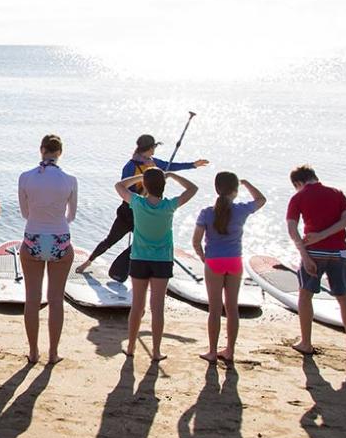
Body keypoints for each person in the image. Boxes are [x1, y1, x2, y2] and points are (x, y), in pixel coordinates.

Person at [76, 134, 207, 281]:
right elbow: (124, 187)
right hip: (129, 211)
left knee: (139, 243)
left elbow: (171, 166)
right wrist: (144, 187)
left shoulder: (153, 162)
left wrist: (193, 165)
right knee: (110, 240)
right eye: (153, 148)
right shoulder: (131, 166)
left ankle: (131, 268)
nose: (154, 151)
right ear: (149, 148)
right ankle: (87, 263)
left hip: (143, 212)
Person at [115, 168, 199, 360]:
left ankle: (131, 347)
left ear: (145, 185)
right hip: (162, 261)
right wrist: (172, 175)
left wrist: (141, 177)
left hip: (139, 259)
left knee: (137, 306)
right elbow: (192, 189)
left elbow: (119, 186)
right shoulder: (169, 205)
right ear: (163, 185)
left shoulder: (137, 203)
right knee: (157, 307)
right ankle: (156, 351)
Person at [285, 165, 346, 356]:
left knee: (305, 295)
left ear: (298, 183)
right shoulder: (336, 193)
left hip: (314, 252)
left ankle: (306, 343)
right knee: (344, 297)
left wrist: (304, 253)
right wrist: (325, 234)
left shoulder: (298, 197)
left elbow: (292, 229)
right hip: (339, 252)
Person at [17, 134, 78, 365]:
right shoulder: (70, 179)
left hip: (32, 238)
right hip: (59, 239)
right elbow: (71, 216)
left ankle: (33, 352)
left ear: (41, 150)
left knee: (32, 299)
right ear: (59, 152)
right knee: (55, 300)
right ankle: (53, 353)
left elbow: (25, 213)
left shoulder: (25, 177)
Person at [192, 172, 265, 363]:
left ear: (217, 189)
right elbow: (261, 199)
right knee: (232, 308)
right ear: (235, 190)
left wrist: (203, 257)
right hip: (234, 261)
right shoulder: (241, 209)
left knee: (215, 309)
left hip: (214, 262)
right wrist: (247, 182)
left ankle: (212, 352)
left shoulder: (207, 212)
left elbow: (196, 242)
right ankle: (230, 350)